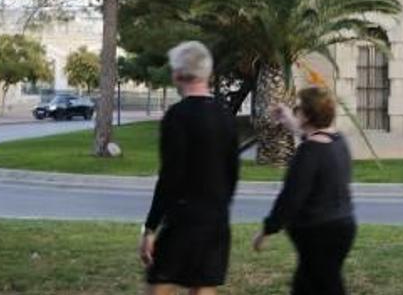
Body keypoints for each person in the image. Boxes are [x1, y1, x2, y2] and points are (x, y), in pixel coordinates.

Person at [139, 41, 239, 295]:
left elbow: (170, 177)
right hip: (216, 220)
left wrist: (150, 228)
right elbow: (232, 173)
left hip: (182, 221)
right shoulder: (226, 115)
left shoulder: (176, 116)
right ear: (207, 73)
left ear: (178, 75)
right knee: (204, 285)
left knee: (159, 285)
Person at [252, 87, 357, 295]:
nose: (295, 111)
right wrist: (289, 119)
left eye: (298, 108)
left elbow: (290, 198)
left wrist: (266, 231)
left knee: (316, 286)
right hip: (343, 227)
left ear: (307, 115)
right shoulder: (338, 141)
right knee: (322, 284)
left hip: (318, 234)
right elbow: (310, 134)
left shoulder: (308, 152)